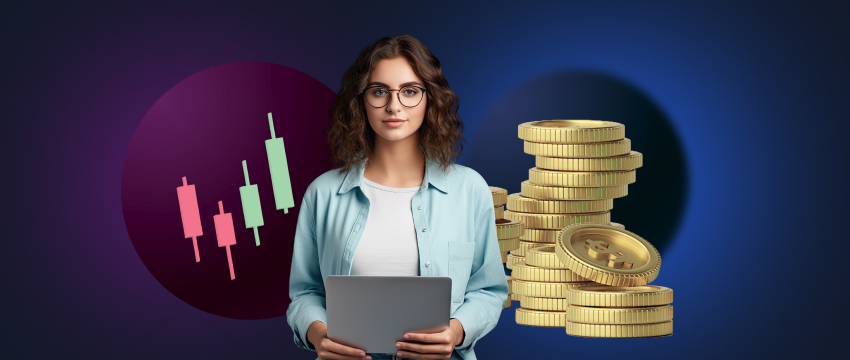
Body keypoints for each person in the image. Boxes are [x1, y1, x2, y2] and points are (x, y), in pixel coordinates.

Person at [286, 34, 508, 360]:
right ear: (361, 100)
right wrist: (318, 334)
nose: (394, 106)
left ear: (430, 98)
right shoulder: (323, 194)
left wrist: (456, 331)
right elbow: (305, 293)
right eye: (379, 92)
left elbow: (488, 291)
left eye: (409, 92)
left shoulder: (470, 189)